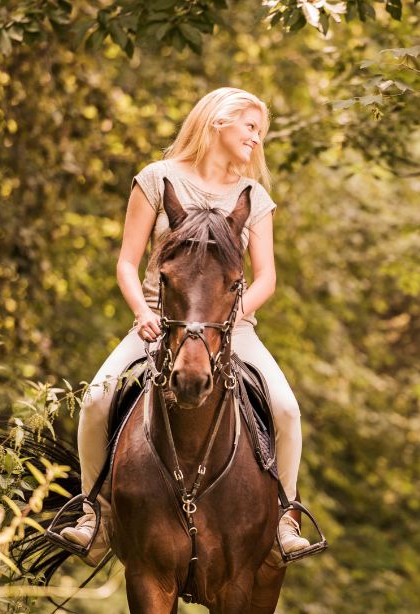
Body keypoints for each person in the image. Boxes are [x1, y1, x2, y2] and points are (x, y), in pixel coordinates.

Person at [60, 87, 310, 563]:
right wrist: (143, 312)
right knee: (96, 399)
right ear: (217, 122)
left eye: (261, 131)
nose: (257, 139)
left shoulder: (254, 197)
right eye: (250, 127)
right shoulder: (156, 180)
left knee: (286, 409)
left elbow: (268, 277)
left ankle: (284, 518)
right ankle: (94, 516)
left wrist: (232, 319)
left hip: (231, 328)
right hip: (160, 324)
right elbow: (127, 264)